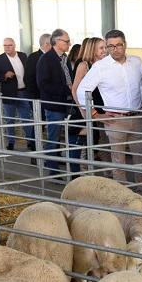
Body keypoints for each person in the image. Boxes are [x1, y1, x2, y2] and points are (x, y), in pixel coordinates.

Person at [76, 29, 142, 184]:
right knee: (118, 162)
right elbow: (82, 89)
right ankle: (121, 199)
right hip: (114, 119)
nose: (115, 49)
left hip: (137, 117)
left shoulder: (136, 62)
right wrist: (95, 114)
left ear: (125, 45)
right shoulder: (100, 67)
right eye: (110, 46)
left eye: (118, 45)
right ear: (107, 47)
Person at [36, 28, 75, 176]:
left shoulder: (64, 58)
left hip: (67, 103)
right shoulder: (46, 59)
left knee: (64, 135)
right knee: (53, 137)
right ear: (57, 41)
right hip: (54, 105)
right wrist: (67, 89)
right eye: (66, 41)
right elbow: (43, 84)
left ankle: (64, 164)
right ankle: (52, 170)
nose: (69, 43)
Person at [71, 37, 107, 171]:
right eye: (101, 48)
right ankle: (81, 176)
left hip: (100, 110)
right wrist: (83, 111)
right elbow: (75, 89)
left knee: (99, 142)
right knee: (86, 143)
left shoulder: (105, 64)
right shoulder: (84, 65)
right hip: (86, 110)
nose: (105, 50)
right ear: (93, 49)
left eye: (105, 47)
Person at [0, 38, 33, 150]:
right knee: (9, 119)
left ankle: (30, 141)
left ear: (14, 45)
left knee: (26, 118)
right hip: (9, 93)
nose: (7, 47)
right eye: (5, 45)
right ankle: (11, 142)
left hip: (23, 92)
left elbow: (29, 72)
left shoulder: (23, 56)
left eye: (9, 45)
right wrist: (4, 75)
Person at [24, 33, 51, 101]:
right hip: (38, 97)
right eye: (53, 43)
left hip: (50, 96)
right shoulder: (33, 57)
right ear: (47, 44)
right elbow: (29, 78)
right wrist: (35, 97)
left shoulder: (51, 56)